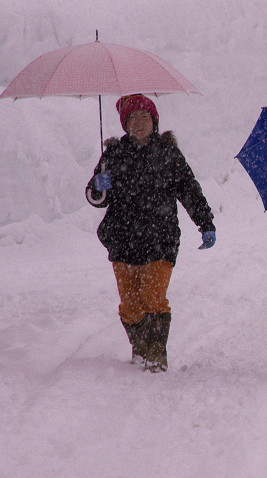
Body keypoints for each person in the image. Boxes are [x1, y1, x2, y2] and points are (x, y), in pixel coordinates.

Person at [85, 94, 216, 372]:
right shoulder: (113, 155)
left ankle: (157, 353)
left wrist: (206, 223)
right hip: (122, 240)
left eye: (146, 117)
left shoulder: (168, 154)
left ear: (155, 121)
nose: (140, 122)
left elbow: (189, 191)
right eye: (134, 117)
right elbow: (97, 198)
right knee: (130, 304)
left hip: (161, 238)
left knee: (153, 297)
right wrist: (99, 184)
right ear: (125, 123)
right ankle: (140, 348)